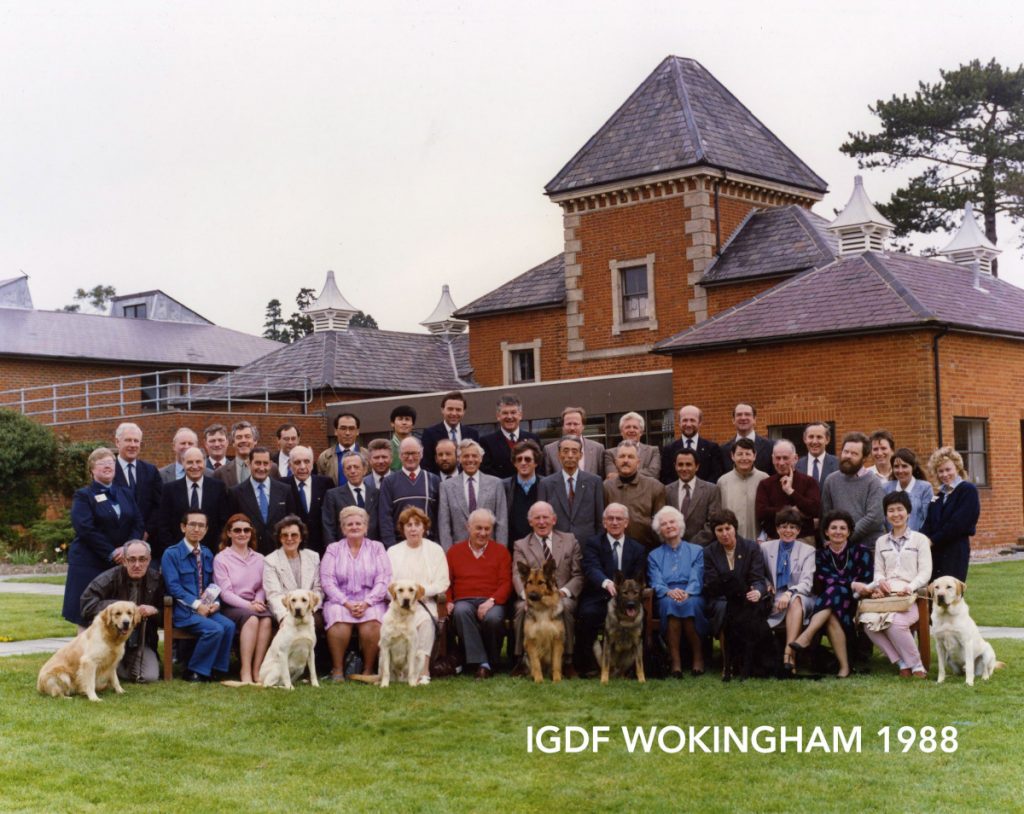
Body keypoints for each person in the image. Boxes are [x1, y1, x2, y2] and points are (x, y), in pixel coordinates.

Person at [63, 447, 145, 630]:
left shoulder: (126, 493)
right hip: (89, 562)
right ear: (92, 469)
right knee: (88, 615)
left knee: (117, 615)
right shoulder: (83, 496)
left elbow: (138, 523)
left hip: (120, 563)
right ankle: (85, 657)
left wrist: (127, 549)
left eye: (111, 463)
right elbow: (85, 529)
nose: (108, 466)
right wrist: (110, 552)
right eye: (102, 463)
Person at [788, 510, 872, 678]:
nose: (838, 532)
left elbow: (867, 580)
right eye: (833, 528)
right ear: (826, 532)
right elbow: (824, 579)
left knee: (835, 591)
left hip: (855, 603)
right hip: (830, 604)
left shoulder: (861, 551)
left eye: (843, 528)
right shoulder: (820, 555)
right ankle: (844, 668)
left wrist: (853, 586)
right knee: (832, 606)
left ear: (849, 531)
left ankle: (807, 636)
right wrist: (851, 583)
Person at [859, 492, 932, 678]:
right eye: (891, 510)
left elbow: (925, 572)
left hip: (910, 597)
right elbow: (879, 571)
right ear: (886, 514)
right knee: (867, 623)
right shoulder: (881, 541)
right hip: (886, 596)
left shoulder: (920, 540)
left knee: (895, 624)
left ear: (908, 512)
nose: (895, 514)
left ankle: (916, 666)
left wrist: (911, 586)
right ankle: (901, 662)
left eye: (900, 509)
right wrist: (880, 582)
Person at [511, 502, 583, 678]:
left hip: (561, 595)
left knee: (564, 606)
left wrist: (564, 592)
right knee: (521, 609)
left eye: (545, 517)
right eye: (537, 518)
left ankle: (567, 660)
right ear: (530, 522)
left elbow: (578, 574)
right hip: (534, 596)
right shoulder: (521, 545)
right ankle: (522, 659)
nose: (542, 522)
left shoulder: (569, 540)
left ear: (554, 519)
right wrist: (527, 598)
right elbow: (516, 576)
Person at [161, 510, 235, 682]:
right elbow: (173, 587)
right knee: (214, 629)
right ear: (183, 527)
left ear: (206, 530)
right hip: (183, 612)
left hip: (206, 609)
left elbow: (212, 583)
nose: (196, 529)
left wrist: (215, 602)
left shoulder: (207, 554)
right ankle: (194, 671)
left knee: (229, 626)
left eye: (201, 525)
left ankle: (216, 669)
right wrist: (197, 605)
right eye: (192, 524)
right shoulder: (171, 554)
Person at [321, 505, 391, 681]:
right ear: (343, 528)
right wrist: (346, 603)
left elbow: (384, 579)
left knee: (374, 622)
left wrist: (367, 602)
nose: (354, 527)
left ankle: (367, 670)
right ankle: (337, 670)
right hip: (340, 600)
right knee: (338, 620)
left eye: (358, 523)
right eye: (349, 524)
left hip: (371, 600)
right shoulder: (333, 549)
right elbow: (327, 581)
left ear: (366, 527)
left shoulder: (377, 547)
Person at [80, 539, 164, 683]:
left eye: (142, 559)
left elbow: (170, 616)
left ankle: (117, 670)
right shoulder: (108, 577)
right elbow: (86, 606)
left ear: (149, 560)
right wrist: (116, 607)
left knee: (149, 676)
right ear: (124, 561)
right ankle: (112, 668)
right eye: (132, 560)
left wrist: (155, 610)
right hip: (108, 641)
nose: (137, 564)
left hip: (140, 643)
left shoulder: (157, 580)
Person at [577, 503, 647, 675]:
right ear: (604, 522)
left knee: (639, 617)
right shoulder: (593, 543)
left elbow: (638, 577)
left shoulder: (637, 548)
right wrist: (606, 582)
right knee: (587, 615)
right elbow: (591, 567)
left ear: (626, 523)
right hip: (599, 597)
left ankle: (631, 667)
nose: (614, 522)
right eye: (610, 518)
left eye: (619, 519)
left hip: (628, 601)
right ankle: (590, 666)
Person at [445, 509, 512, 679]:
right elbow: (447, 581)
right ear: (468, 527)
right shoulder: (454, 552)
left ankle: (489, 661)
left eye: (487, 529)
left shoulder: (501, 552)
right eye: (478, 528)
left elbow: (506, 582)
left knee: (493, 618)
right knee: (460, 612)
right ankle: (483, 663)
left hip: (491, 600)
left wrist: (491, 601)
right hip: (463, 600)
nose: (483, 533)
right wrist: (448, 600)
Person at [702, 509, 769, 679]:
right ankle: (727, 665)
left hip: (747, 599)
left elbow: (758, 578)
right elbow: (712, 584)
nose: (725, 534)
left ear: (735, 528)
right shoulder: (709, 552)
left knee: (748, 611)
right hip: (722, 600)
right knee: (727, 610)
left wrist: (758, 592)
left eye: (728, 528)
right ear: (714, 532)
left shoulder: (751, 547)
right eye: (719, 530)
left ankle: (748, 662)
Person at [387, 506, 450, 684]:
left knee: (426, 623)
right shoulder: (393, 551)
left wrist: (421, 593)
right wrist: (401, 598)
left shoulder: (435, 550)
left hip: (425, 602)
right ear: (402, 529)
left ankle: (423, 672)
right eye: (408, 525)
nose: (413, 528)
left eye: (417, 524)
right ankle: (398, 671)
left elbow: (442, 582)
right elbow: (388, 583)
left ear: (424, 528)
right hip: (398, 605)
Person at [214, 513, 273, 684]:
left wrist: (259, 600)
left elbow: (263, 585)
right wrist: (249, 606)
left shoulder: (260, 558)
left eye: (246, 530)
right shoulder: (222, 558)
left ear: (251, 533)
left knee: (267, 620)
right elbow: (225, 593)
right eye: (237, 530)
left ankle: (257, 670)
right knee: (253, 619)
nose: (242, 533)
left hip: (255, 603)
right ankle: (245, 670)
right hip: (232, 606)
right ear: (229, 533)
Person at [648, 506, 707, 677]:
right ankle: (675, 661)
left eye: (672, 522)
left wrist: (687, 592)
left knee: (688, 603)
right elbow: (655, 580)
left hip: (692, 593)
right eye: (664, 524)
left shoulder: (697, 551)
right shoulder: (654, 555)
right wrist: (668, 591)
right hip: (666, 595)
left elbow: (697, 576)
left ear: (679, 525)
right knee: (671, 604)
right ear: (660, 530)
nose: (668, 526)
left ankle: (698, 657)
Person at [761, 508, 816, 676]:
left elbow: (807, 583)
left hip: (800, 596)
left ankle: (788, 653)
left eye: (793, 527)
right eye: (784, 526)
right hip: (773, 596)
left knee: (795, 601)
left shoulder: (808, 551)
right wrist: (767, 584)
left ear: (798, 531)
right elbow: (758, 574)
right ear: (777, 529)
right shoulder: (765, 548)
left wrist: (789, 593)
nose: (788, 531)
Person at [154, 446, 229, 561]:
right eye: (190, 462)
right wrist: (174, 552)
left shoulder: (218, 487)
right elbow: (163, 525)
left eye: (198, 461)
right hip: (179, 556)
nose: (195, 466)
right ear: (183, 463)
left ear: (204, 462)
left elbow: (223, 523)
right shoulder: (170, 489)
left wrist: (215, 550)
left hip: (211, 554)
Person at [438, 439, 508, 551]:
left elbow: (502, 522)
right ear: (459, 459)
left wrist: (501, 551)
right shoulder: (446, 486)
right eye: (466, 456)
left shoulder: (496, 484)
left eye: (474, 456)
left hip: (489, 549)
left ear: (481, 458)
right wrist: (449, 554)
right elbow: (444, 525)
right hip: (459, 551)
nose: (470, 460)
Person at [923, 446, 980, 583]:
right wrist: (920, 539)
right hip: (935, 553)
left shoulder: (967, 490)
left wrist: (932, 540)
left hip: (955, 551)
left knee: (951, 597)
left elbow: (957, 524)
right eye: (940, 471)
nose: (944, 474)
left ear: (957, 468)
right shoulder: (938, 496)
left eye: (948, 469)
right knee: (934, 597)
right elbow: (929, 523)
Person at [821, 432, 885, 550]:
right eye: (846, 452)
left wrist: (845, 537)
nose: (848, 456)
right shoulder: (830, 480)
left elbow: (875, 517)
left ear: (864, 458)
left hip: (869, 548)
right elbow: (826, 515)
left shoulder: (873, 481)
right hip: (839, 548)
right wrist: (830, 540)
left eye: (854, 453)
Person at [228, 447, 296, 555]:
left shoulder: (285, 490)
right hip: (248, 554)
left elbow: (292, 521)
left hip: (280, 553)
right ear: (249, 464)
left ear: (270, 465)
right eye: (257, 463)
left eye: (265, 463)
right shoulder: (236, 493)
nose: (262, 468)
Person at [537, 435, 605, 543]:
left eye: (574, 451)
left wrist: (597, 546)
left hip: (588, 545)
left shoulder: (594, 482)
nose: (570, 455)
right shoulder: (546, 484)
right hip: (556, 545)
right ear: (559, 455)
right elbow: (541, 519)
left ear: (581, 455)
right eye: (565, 451)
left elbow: (600, 520)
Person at [602, 440, 666, 551]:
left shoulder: (655, 487)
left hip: (646, 550)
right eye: (622, 456)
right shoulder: (606, 487)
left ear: (638, 462)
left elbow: (660, 524)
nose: (626, 460)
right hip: (613, 551)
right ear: (616, 461)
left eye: (630, 457)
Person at [378, 436, 441, 546]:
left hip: (427, 544)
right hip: (400, 545)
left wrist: (435, 543)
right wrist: (392, 547)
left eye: (414, 453)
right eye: (406, 454)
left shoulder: (433, 480)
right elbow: (385, 518)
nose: (410, 458)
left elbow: (439, 517)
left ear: (421, 454)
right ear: (400, 456)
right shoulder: (389, 482)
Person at [754, 439, 820, 541]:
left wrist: (790, 491)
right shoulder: (765, 484)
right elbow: (761, 513)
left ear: (795, 458)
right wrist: (791, 511)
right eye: (778, 458)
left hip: (804, 539)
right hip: (775, 540)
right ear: (772, 459)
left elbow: (814, 510)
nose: (781, 462)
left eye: (785, 458)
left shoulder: (809, 482)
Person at [263, 515, 323, 623]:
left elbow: (318, 589)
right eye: (285, 535)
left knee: (315, 623)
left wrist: (310, 608)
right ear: (280, 538)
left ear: (301, 537)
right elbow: (273, 594)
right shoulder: (270, 560)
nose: (289, 538)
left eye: (294, 535)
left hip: (309, 608)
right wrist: (285, 617)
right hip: (285, 610)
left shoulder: (313, 557)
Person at [282, 445, 333, 554]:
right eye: (297, 462)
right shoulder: (281, 485)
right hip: (292, 547)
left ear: (312, 463)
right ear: (290, 466)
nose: (302, 466)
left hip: (321, 548)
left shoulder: (326, 483)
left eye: (307, 461)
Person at [479, 393, 544, 479]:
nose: (509, 417)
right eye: (505, 413)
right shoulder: (486, 442)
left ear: (520, 415)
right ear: (498, 416)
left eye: (513, 412)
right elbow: (487, 474)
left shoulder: (533, 439)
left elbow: (540, 469)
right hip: (502, 490)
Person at [111, 422, 162, 529]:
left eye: (136, 441)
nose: (133, 445)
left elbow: (158, 505)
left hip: (148, 538)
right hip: (117, 538)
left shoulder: (151, 471)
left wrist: (147, 531)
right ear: (117, 442)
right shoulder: (109, 471)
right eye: (128, 440)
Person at [664, 447, 720, 545]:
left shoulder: (711, 490)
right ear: (675, 466)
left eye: (688, 464)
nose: (684, 468)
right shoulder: (666, 491)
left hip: (702, 549)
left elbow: (713, 522)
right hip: (673, 547)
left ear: (697, 466)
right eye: (680, 465)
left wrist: (691, 546)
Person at [716, 437, 768, 541]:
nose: (744, 458)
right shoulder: (723, 482)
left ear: (754, 456)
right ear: (732, 456)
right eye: (740, 454)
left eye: (748, 454)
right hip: (730, 542)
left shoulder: (764, 479)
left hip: (758, 542)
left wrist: (763, 537)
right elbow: (718, 514)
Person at [323, 452, 380, 543]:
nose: (352, 471)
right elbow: (329, 527)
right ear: (344, 472)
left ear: (364, 469)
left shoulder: (376, 494)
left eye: (356, 467)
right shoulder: (333, 495)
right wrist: (334, 550)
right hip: (345, 550)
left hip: (372, 550)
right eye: (348, 468)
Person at [660, 404, 722, 485]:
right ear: (679, 423)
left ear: (700, 423)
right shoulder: (668, 449)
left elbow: (716, 474)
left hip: (704, 495)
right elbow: (665, 477)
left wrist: (702, 490)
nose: (688, 424)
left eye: (692, 420)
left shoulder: (712, 448)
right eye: (685, 420)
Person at [421, 391, 480, 474]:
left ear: (464, 412)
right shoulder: (430, 434)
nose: (454, 413)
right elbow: (427, 465)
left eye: (458, 410)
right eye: (450, 409)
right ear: (442, 410)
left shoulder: (472, 434)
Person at [543, 406, 605, 476]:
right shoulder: (549, 450)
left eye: (576, 424)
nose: (572, 428)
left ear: (583, 426)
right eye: (568, 424)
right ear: (563, 426)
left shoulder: (598, 449)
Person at [213, 421, 278, 488]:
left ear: (255, 441)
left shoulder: (272, 468)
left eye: (247, 437)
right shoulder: (220, 473)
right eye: (239, 437)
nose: (243, 440)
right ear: (233, 443)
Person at [883, 448, 934, 531]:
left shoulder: (925, 488)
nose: (900, 470)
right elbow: (882, 519)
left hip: (917, 540)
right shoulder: (886, 488)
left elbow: (928, 519)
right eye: (896, 466)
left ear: (913, 467)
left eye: (904, 466)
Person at [504, 439, 544, 544]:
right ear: (514, 463)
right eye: (519, 459)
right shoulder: (505, 486)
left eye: (527, 459)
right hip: (513, 545)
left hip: (541, 544)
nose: (523, 463)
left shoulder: (547, 484)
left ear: (536, 462)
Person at [603, 412, 660, 480]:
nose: (631, 430)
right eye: (628, 427)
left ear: (641, 432)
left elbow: (654, 474)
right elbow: (611, 478)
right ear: (621, 431)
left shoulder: (653, 451)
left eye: (635, 427)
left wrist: (624, 474)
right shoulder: (610, 453)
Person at [719, 403, 773, 474]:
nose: (743, 418)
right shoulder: (723, 450)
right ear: (733, 420)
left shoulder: (770, 447)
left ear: (754, 419)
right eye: (739, 415)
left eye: (747, 414)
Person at [316, 412, 362, 486]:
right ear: (335, 431)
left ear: (357, 431)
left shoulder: (367, 456)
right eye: (343, 428)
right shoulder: (325, 457)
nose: (347, 433)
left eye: (351, 428)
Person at [796, 422, 838, 487]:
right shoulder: (796, 465)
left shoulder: (838, 464)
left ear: (827, 440)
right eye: (811, 437)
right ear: (805, 439)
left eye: (819, 437)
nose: (814, 441)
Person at [388, 405, 418, 472]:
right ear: (392, 423)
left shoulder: (420, 446)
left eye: (407, 419)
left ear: (413, 424)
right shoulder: (386, 447)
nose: (404, 423)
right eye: (400, 419)